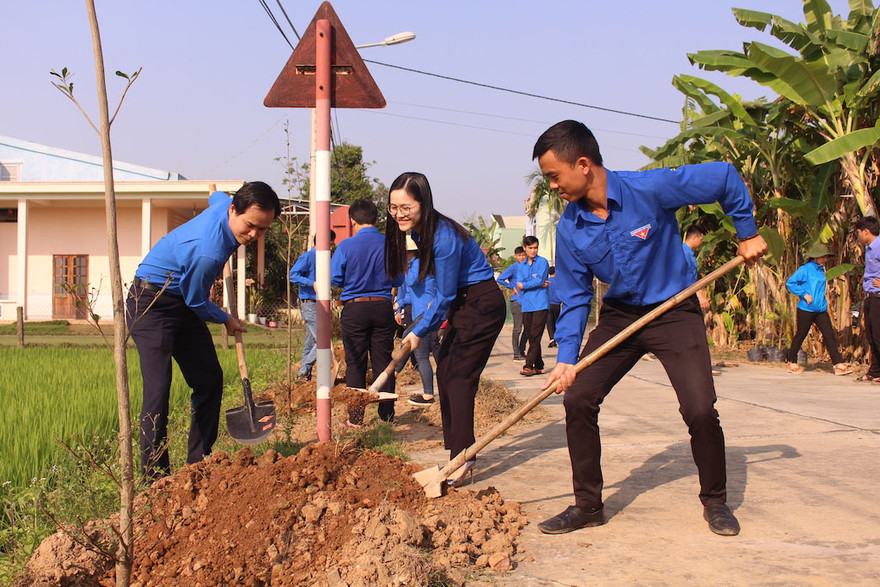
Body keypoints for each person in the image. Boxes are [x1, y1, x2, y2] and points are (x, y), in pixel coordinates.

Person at [533, 120, 767, 537]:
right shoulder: (570, 228)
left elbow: (724, 177)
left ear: (583, 164)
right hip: (621, 317)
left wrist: (746, 233)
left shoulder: (649, 189)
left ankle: (715, 501)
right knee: (579, 398)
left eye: (554, 176)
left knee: (699, 409)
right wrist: (566, 358)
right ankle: (588, 504)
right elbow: (574, 296)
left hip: (674, 310)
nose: (553, 186)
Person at [127, 181, 280, 480]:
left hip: (180, 300)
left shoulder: (224, 205)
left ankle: (198, 462)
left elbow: (215, 196)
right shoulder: (208, 251)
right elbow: (196, 300)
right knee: (158, 390)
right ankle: (154, 476)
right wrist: (226, 319)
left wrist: (214, 192)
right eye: (250, 226)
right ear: (234, 210)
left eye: (262, 230)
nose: (253, 235)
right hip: (151, 303)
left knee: (209, 378)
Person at [385, 172, 506, 486]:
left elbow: (446, 294)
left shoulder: (444, 236)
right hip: (462, 305)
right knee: (445, 372)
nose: (398, 214)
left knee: (458, 377)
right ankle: (456, 453)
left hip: (481, 304)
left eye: (405, 207)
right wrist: (418, 320)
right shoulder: (423, 234)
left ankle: (463, 459)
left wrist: (420, 329)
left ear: (423, 203)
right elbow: (434, 289)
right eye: (393, 207)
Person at [331, 199, 397, 426]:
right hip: (382, 306)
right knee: (383, 362)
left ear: (352, 221)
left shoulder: (345, 246)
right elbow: (398, 278)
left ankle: (356, 419)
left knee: (356, 363)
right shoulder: (390, 245)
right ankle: (387, 416)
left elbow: (335, 278)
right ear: (377, 219)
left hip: (355, 308)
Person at [785, 243, 853, 375]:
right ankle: (791, 361)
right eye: (822, 257)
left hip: (821, 308)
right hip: (806, 308)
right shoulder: (805, 269)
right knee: (801, 334)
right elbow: (790, 283)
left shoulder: (822, 270)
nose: (825, 259)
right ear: (815, 257)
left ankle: (838, 364)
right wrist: (804, 294)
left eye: (826, 257)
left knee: (829, 335)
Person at [394, 235, 440, 406]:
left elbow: (411, 280)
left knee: (421, 356)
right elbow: (408, 294)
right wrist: (398, 303)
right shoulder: (412, 266)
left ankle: (428, 395)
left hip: (426, 314)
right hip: (419, 313)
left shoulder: (419, 264)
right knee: (407, 340)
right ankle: (394, 374)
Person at [288, 230, 336, 383]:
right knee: (323, 341)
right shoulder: (309, 256)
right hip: (310, 305)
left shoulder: (325, 259)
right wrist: (312, 283)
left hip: (320, 304)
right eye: (331, 242)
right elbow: (293, 275)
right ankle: (303, 372)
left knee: (310, 343)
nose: (333, 245)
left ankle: (304, 377)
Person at [682, 225, 721, 376]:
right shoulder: (683, 254)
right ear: (695, 237)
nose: (701, 243)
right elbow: (686, 278)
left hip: (689, 296)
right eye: (701, 239)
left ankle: (697, 365)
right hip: (688, 297)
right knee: (696, 331)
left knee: (693, 332)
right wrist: (700, 294)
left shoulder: (688, 254)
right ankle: (701, 366)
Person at [517, 236, 550, 376]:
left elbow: (539, 280)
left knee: (536, 335)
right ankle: (539, 364)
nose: (533, 250)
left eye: (535, 248)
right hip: (527, 305)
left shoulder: (542, 262)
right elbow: (519, 284)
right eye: (530, 248)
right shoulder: (521, 266)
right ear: (525, 248)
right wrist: (534, 283)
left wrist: (526, 285)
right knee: (531, 336)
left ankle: (528, 365)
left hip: (540, 304)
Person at [855, 216, 880, 383]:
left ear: (866, 231)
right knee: (871, 337)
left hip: (879, 297)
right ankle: (875, 371)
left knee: (878, 336)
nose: (858, 236)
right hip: (870, 297)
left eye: (858, 233)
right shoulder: (869, 248)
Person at [496, 246, 528, 360]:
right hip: (517, 302)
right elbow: (500, 279)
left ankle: (522, 349)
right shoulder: (513, 268)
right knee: (517, 328)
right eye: (519, 255)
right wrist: (512, 287)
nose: (522, 257)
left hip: (528, 302)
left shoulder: (529, 267)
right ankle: (516, 353)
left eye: (523, 255)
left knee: (528, 329)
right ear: (515, 256)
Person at [546, 266, 561, 347]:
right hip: (557, 304)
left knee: (549, 322)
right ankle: (556, 337)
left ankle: (552, 338)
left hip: (548, 304)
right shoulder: (559, 282)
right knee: (556, 322)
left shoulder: (547, 281)